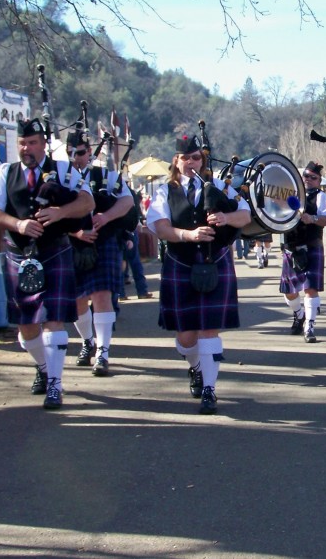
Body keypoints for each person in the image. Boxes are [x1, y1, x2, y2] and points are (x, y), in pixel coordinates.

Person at [0, 118, 95, 411]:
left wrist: (60, 213)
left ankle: (55, 384)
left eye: (32, 143)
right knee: (26, 327)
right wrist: (17, 224)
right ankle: (44, 368)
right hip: (20, 254)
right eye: (22, 143)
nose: (26, 148)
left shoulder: (64, 170)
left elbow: (87, 202)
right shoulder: (6, 172)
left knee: (53, 319)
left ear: (43, 144)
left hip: (54, 251)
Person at [146, 135, 251, 414]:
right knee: (186, 337)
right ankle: (195, 367)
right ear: (176, 160)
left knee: (208, 329)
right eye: (186, 158)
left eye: (196, 157)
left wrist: (227, 218)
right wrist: (188, 235)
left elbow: (245, 215)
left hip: (215, 262)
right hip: (180, 263)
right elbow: (160, 227)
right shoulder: (165, 191)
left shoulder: (220, 187)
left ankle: (209, 389)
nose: (191, 162)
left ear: (202, 160)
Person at [66, 131, 136, 377]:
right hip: (73, 243)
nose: (75, 158)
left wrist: (106, 217)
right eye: (70, 153)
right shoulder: (60, 177)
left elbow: (127, 202)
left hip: (104, 240)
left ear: (89, 152)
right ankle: (88, 341)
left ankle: (102, 353)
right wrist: (76, 232)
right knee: (77, 300)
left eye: (80, 153)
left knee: (102, 295)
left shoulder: (107, 176)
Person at [280, 161, 326, 342]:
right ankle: (299, 314)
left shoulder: (321, 197)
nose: (308, 179)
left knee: (311, 289)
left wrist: (312, 218)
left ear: (319, 181)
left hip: (312, 246)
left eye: (313, 177)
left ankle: (309, 327)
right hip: (291, 247)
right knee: (289, 292)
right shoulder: (288, 195)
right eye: (306, 176)